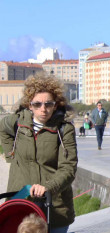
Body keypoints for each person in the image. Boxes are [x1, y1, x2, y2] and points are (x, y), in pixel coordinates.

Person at [0, 73, 77, 233]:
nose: (43, 109)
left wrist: (47, 187)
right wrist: (11, 155)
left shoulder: (64, 129)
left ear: (55, 105)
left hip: (54, 207)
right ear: (29, 105)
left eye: (48, 104)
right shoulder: (17, 123)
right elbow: (3, 128)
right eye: (37, 104)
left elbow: (68, 169)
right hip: (21, 203)